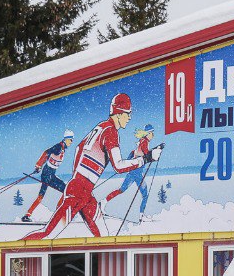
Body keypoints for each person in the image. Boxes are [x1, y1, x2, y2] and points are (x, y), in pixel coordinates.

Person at [23, 93, 161, 240]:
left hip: (85, 193)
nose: (130, 118)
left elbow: (78, 148)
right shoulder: (111, 132)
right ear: (119, 113)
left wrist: (78, 176)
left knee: (104, 239)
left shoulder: (101, 126)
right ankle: (15, 254)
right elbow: (119, 166)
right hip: (78, 192)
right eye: (128, 114)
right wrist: (146, 158)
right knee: (46, 235)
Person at [21, 129, 74, 223]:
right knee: (65, 190)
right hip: (47, 173)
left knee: (61, 191)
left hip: (50, 174)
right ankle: (58, 214)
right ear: (65, 139)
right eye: (70, 140)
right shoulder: (58, 147)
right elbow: (46, 153)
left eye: (72, 140)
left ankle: (27, 215)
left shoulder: (62, 148)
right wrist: (38, 166)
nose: (71, 142)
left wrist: (39, 166)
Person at [105, 123, 158, 213]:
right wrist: (157, 152)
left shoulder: (141, 141)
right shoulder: (144, 142)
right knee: (145, 195)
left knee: (121, 190)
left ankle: (103, 202)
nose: (153, 135)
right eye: (152, 133)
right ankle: (142, 216)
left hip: (132, 172)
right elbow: (147, 156)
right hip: (137, 173)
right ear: (148, 133)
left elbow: (133, 153)